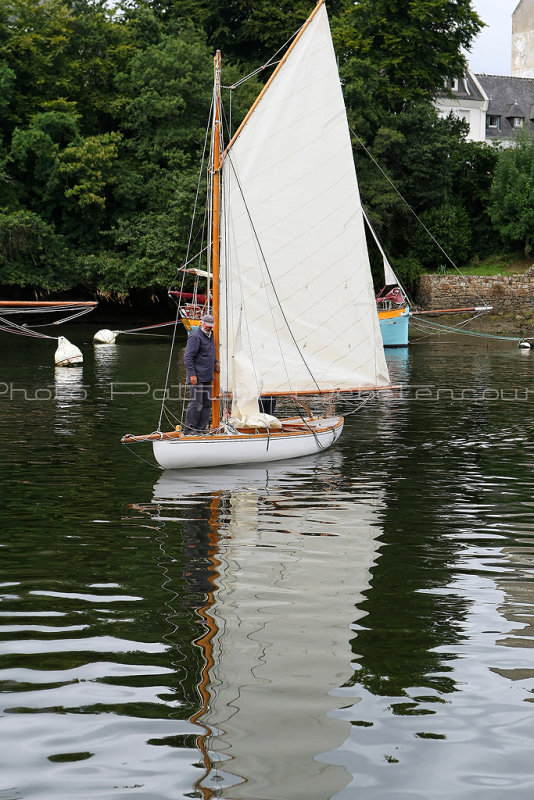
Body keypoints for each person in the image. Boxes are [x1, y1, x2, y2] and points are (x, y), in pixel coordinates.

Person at [183, 314, 219, 433]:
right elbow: (188, 357)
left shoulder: (211, 335)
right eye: (207, 325)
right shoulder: (195, 336)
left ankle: (200, 429)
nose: (209, 328)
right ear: (201, 323)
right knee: (196, 403)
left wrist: (215, 362)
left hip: (207, 376)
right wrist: (192, 374)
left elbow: (211, 351)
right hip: (197, 377)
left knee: (207, 404)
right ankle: (189, 429)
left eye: (211, 326)